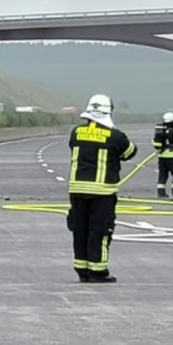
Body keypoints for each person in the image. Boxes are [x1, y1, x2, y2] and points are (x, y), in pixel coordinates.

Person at [67, 94, 137, 283]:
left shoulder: (76, 132)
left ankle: (82, 269)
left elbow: (75, 147)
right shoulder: (115, 136)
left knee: (80, 229)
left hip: (77, 190)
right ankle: (98, 271)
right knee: (100, 231)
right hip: (102, 192)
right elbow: (130, 151)